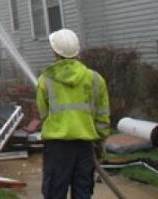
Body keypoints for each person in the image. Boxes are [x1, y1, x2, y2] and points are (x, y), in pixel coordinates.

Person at [37, 29, 110, 199]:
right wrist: (100, 142)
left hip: (57, 148)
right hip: (85, 148)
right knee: (83, 193)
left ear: (55, 52)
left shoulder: (45, 80)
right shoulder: (95, 79)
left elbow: (43, 114)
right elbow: (103, 116)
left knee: (54, 193)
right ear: (77, 51)